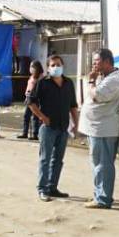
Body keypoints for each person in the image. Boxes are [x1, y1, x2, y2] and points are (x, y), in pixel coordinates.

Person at [29, 55, 79, 202]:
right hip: (48, 128)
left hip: (63, 127)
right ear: (48, 68)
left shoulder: (68, 83)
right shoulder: (43, 83)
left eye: (58, 64)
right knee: (45, 159)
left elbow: (73, 105)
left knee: (58, 160)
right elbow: (31, 102)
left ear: (63, 66)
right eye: (53, 65)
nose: (56, 67)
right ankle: (42, 189)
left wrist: (76, 124)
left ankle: (52, 187)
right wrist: (42, 117)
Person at [80, 49, 119, 210]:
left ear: (107, 62)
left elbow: (96, 96)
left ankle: (103, 199)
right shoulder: (104, 77)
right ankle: (99, 194)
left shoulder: (114, 80)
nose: (94, 64)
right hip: (96, 128)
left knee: (103, 165)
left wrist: (91, 81)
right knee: (97, 163)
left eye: (97, 61)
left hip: (104, 129)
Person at [16, 60, 44, 141]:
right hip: (29, 98)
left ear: (37, 68)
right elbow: (29, 87)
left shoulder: (41, 77)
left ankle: (35, 134)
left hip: (35, 99)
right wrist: (26, 97)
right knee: (26, 116)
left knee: (35, 117)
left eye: (32, 67)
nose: (31, 68)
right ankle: (24, 133)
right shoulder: (32, 76)